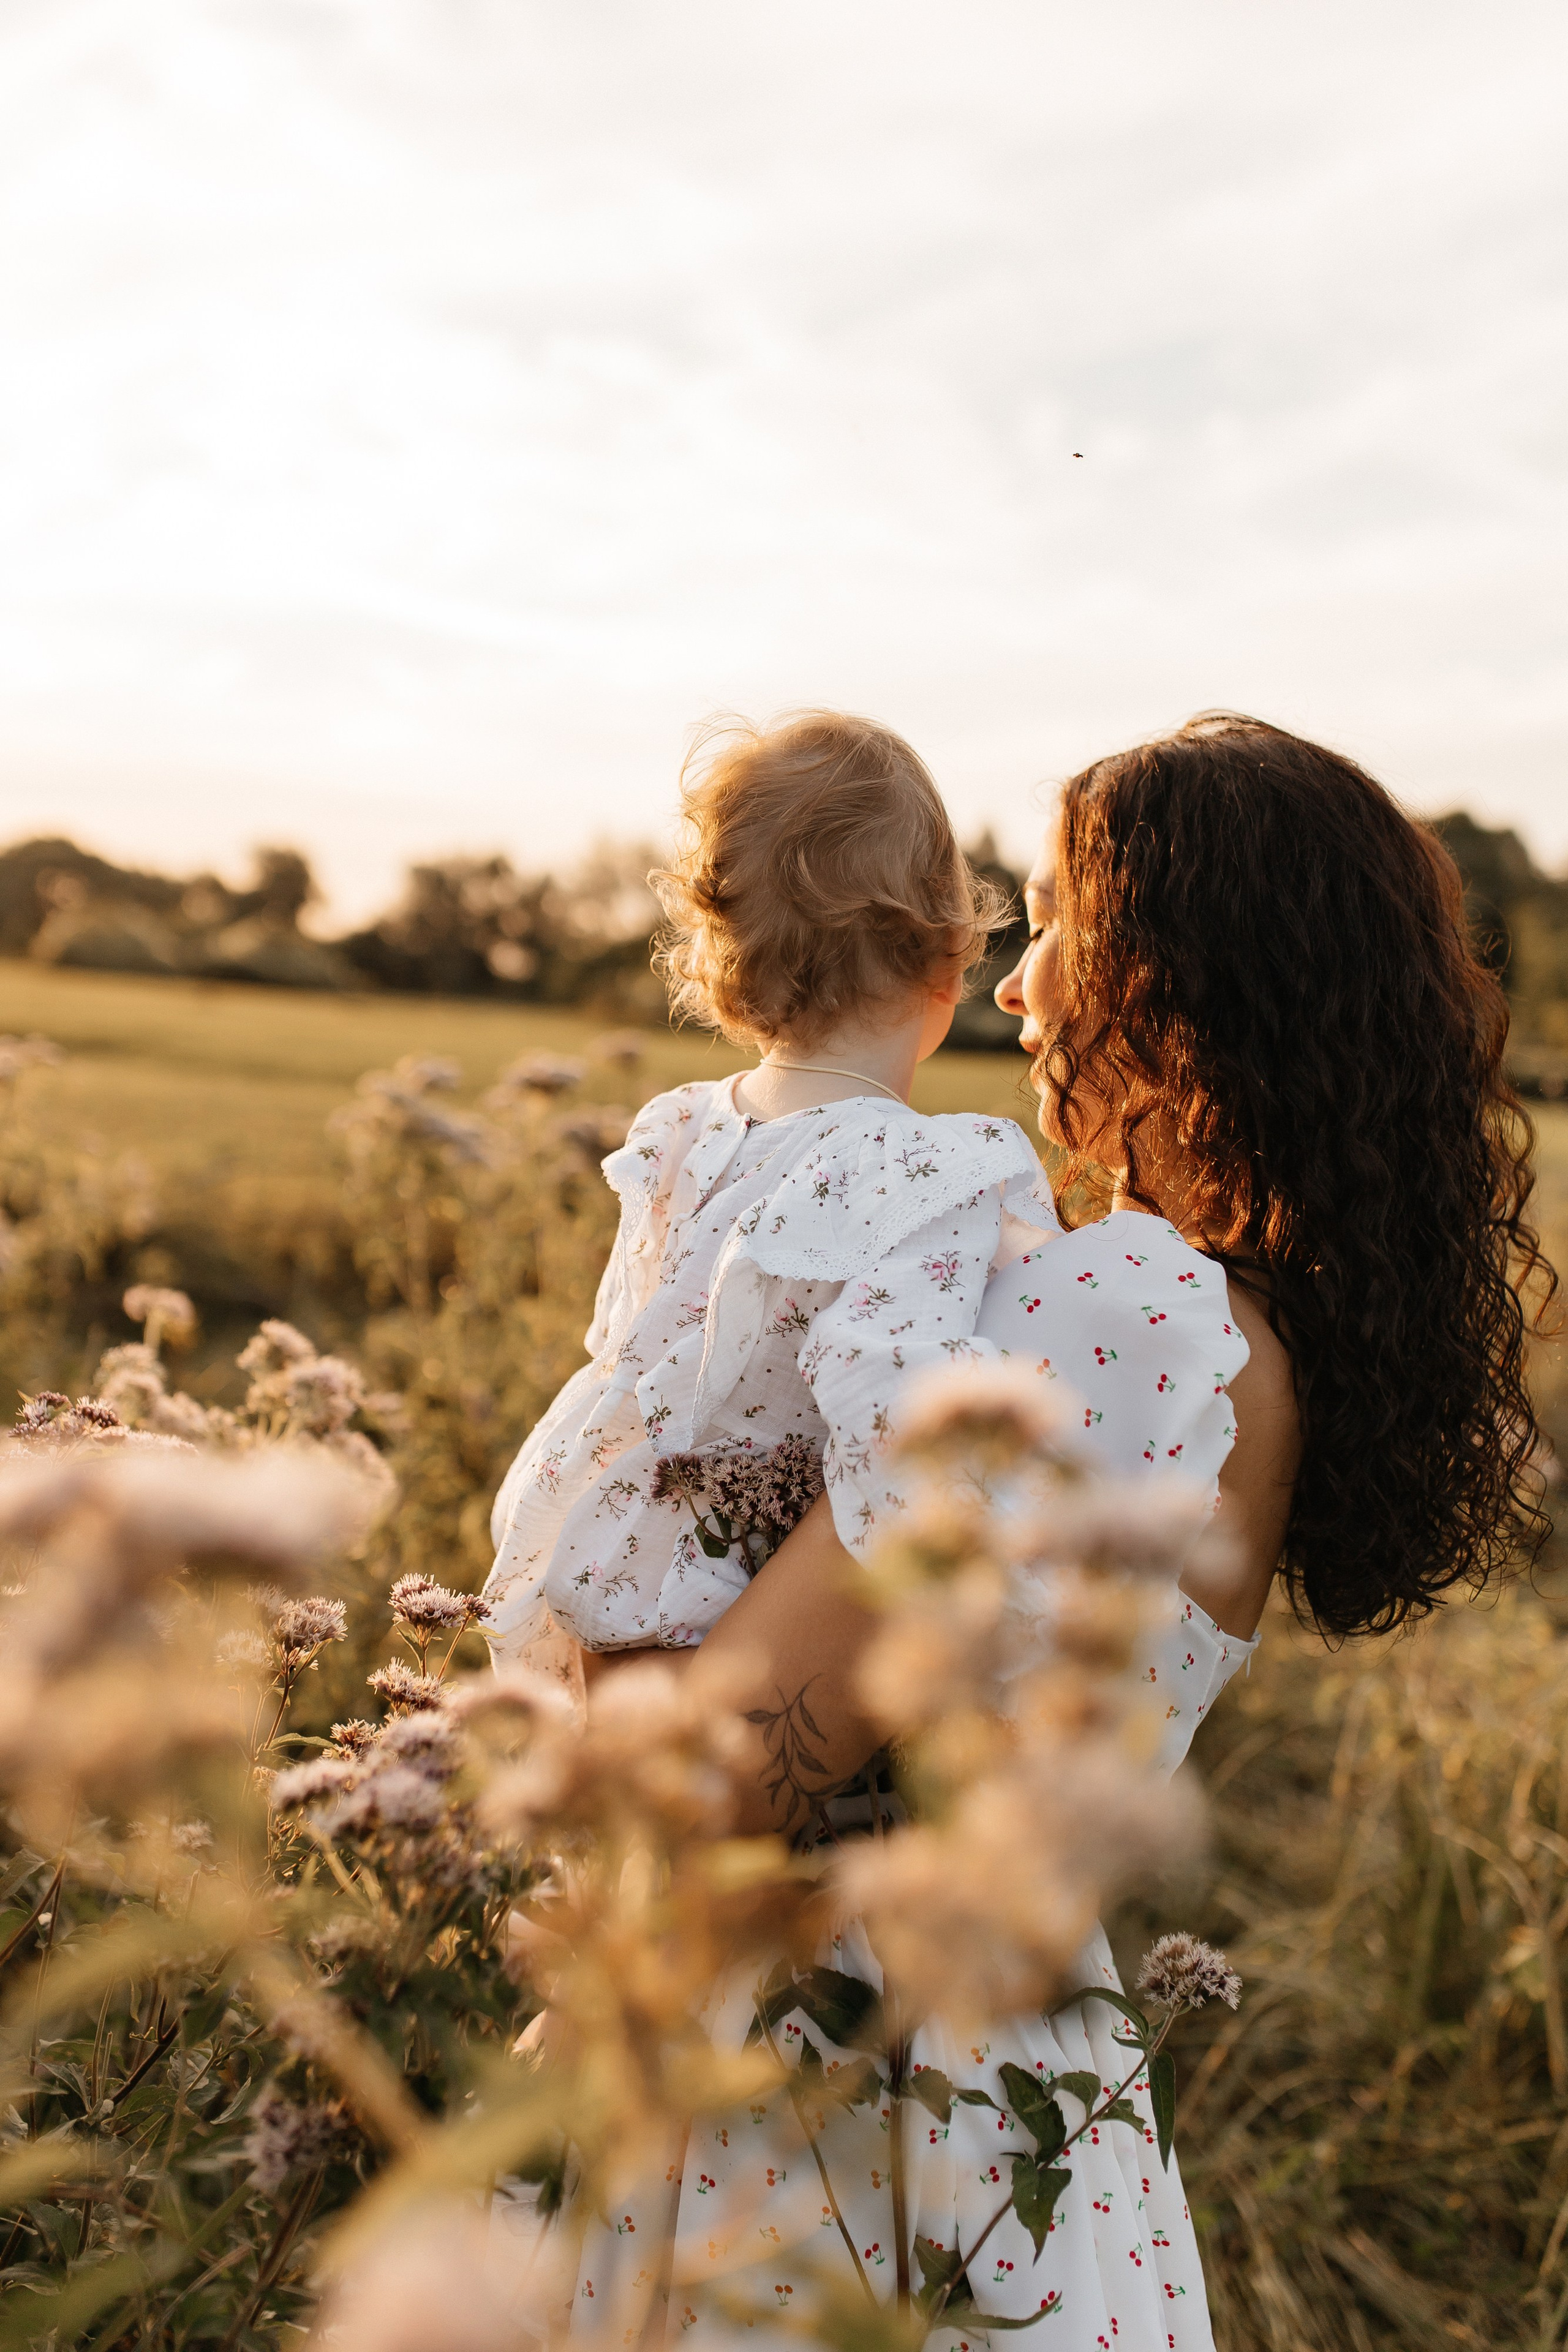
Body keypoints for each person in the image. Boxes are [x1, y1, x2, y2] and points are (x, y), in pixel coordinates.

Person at [535, 713, 1553, 2351]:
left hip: (825, 2085)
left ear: (1178, 972)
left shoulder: (1115, 1305)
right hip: (1020, 2100)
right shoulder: (1242, 1328)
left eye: (1062, 921)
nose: (1014, 982)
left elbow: (732, 1763)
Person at [483, 709, 1055, 1701]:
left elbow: (621, 1336)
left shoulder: (680, 1129)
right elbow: (898, 1404)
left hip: (614, 1540)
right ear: (951, 957)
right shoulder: (936, 1167)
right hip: (757, 1582)